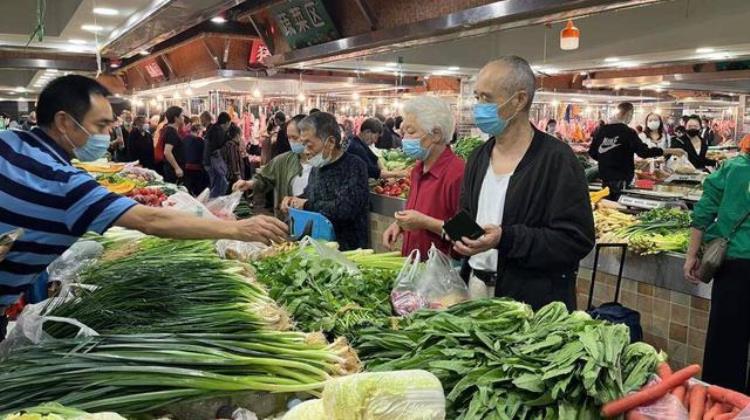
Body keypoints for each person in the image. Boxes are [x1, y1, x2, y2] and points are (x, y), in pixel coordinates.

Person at [0, 75, 288, 340]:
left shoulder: (8, 142)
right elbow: (150, 220)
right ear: (63, 122)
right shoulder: (64, 182)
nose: (108, 134)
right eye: (100, 126)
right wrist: (237, 229)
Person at [456, 56, 595, 309]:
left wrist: (506, 239)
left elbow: (576, 240)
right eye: (476, 98)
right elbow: (465, 212)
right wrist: (459, 236)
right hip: (475, 290)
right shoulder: (478, 157)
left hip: (529, 305)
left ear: (519, 100)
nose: (479, 107)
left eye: (486, 98)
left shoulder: (557, 160)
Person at [684, 136, 750, 392]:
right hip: (737, 264)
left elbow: (702, 214)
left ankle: (720, 405)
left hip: (734, 267)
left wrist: (691, 256)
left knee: (726, 344)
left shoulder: (732, 169)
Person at [382, 96, 465, 258]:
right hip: (414, 267)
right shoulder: (417, 170)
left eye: (411, 132)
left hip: (441, 275)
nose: (404, 139)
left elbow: (465, 234)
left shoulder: (458, 174)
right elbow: (416, 213)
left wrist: (426, 223)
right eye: (403, 132)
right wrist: (399, 224)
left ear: (436, 135)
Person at [281, 112, 369, 251]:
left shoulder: (354, 166)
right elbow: (311, 194)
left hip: (348, 250)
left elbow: (345, 208)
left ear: (331, 142)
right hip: (319, 246)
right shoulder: (318, 167)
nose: (306, 151)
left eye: (309, 145)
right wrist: (294, 200)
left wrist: (307, 204)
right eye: (303, 145)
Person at [589, 102, 683, 200]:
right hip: (622, 179)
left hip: (605, 178)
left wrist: (606, 160)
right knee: (618, 206)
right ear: (629, 113)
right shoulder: (628, 132)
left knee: (606, 204)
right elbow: (643, 152)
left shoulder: (601, 130)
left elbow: (592, 152)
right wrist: (670, 151)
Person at [233, 114, 309, 217]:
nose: (291, 142)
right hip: (289, 219)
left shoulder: (323, 162)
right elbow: (264, 178)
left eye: (294, 137)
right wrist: (249, 184)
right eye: (289, 138)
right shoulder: (283, 161)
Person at [203, 112, 232, 197]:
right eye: (229, 124)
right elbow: (219, 146)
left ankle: (213, 203)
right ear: (227, 122)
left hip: (208, 161)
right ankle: (213, 204)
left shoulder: (213, 128)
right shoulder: (218, 131)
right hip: (213, 162)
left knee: (217, 184)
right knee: (219, 185)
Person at [182, 121, 208, 196]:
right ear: (198, 131)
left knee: (187, 188)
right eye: (201, 132)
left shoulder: (184, 139)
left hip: (185, 167)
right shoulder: (200, 141)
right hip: (197, 168)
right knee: (198, 189)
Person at [162, 106, 185, 183]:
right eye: (182, 115)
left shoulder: (171, 130)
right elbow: (167, 152)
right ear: (176, 118)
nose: (183, 118)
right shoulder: (171, 132)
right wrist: (177, 168)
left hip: (172, 168)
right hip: (172, 170)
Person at [223, 123, 245, 191]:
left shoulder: (228, 145)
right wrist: (238, 177)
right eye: (241, 136)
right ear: (237, 135)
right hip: (233, 178)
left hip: (229, 176)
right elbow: (234, 163)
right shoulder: (232, 146)